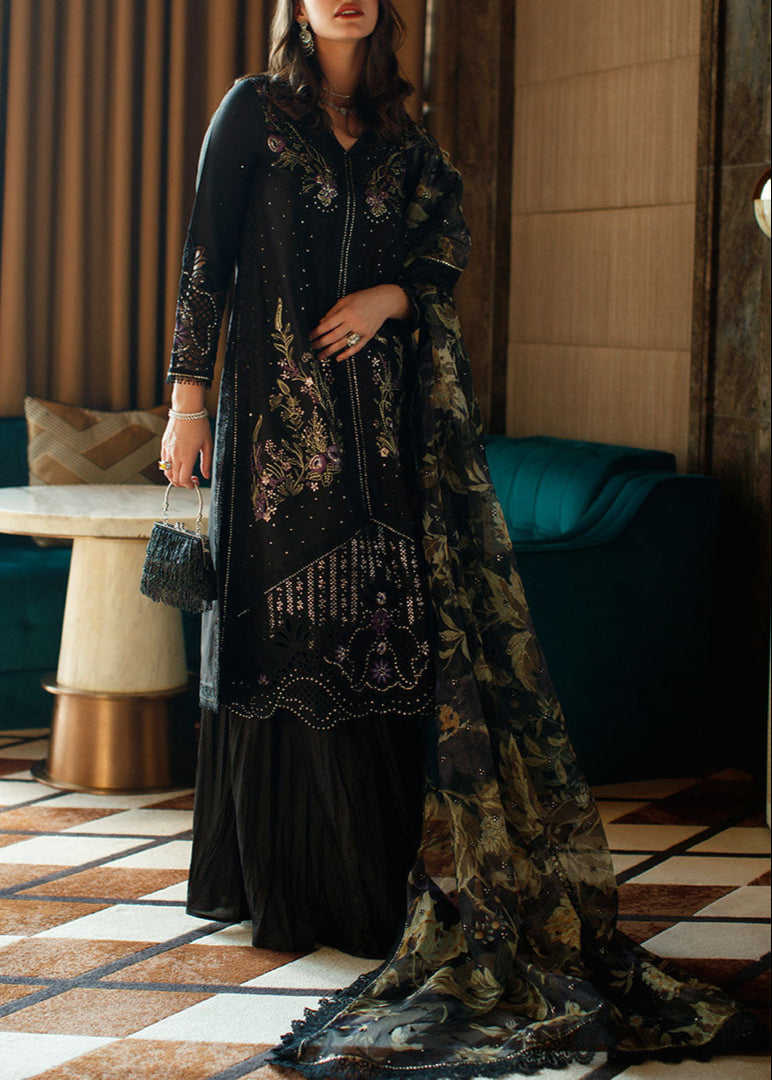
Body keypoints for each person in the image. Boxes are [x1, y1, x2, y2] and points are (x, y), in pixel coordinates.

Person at [161, 1, 766, 1076]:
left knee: (382, 647)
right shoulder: (253, 113)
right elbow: (206, 258)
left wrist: (390, 296)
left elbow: (443, 257)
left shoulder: (407, 137)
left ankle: (375, 890)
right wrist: (186, 403)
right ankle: (281, 888)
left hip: (388, 438)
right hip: (272, 435)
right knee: (285, 639)